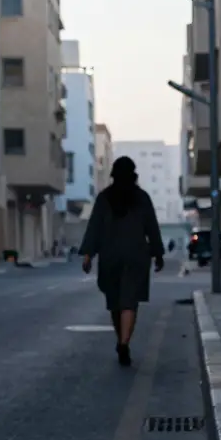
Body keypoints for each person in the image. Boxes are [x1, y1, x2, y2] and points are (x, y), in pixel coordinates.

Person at [80, 156, 165, 366]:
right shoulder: (142, 198)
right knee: (130, 302)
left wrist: (88, 255)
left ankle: (121, 338)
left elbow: (94, 228)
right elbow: (152, 228)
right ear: (133, 175)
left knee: (115, 303)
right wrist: (158, 253)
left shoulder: (104, 198)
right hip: (136, 256)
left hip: (110, 257)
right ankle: (124, 342)